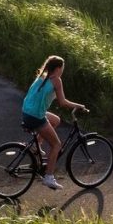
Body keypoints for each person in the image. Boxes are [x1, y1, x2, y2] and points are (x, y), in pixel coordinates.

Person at [20, 55, 85, 190]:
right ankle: (49, 177)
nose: (63, 70)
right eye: (62, 68)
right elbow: (62, 102)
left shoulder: (42, 76)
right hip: (36, 116)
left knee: (55, 120)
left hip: (27, 112)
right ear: (58, 68)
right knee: (56, 144)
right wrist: (78, 106)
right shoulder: (56, 80)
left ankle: (35, 146)